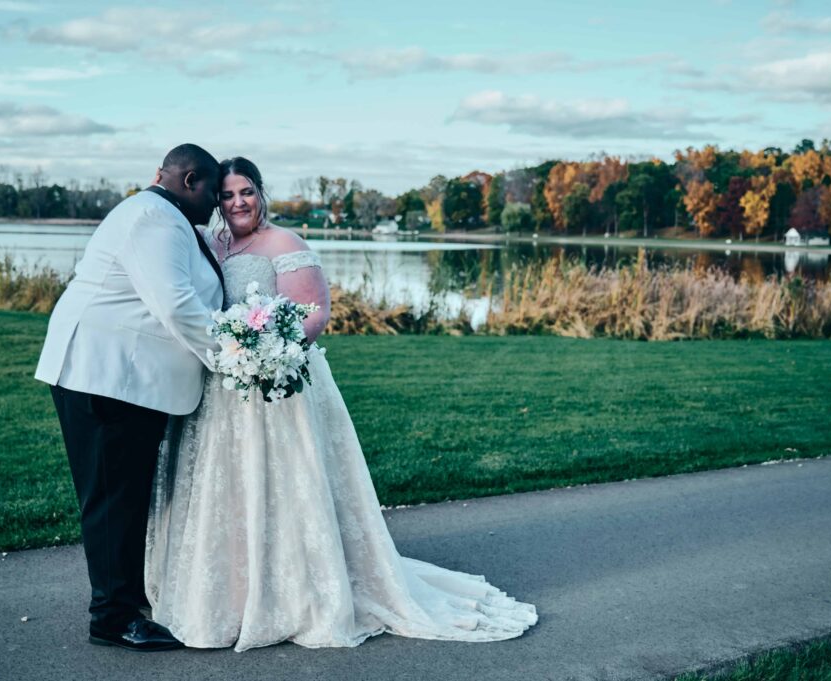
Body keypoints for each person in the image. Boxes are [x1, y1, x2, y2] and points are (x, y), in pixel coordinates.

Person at [145, 157, 537, 651]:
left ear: (260, 193)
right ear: (215, 201)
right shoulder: (209, 244)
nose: (237, 202)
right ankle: (231, 591)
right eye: (226, 195)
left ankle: (298, 590)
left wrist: (273, 352)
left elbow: (314, 313)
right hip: (223, 386)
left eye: (246, 192)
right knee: (227, 486)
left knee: (285, 484)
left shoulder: (286, 244)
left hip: (280, 384)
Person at [35, 144, 224, 651]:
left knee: (124, 492)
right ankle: (112, 618)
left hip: (119, 378)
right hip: (106, 377)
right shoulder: (154, 218)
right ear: (189, 181)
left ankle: (127, 595)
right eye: (213, 192)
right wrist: (234, 359)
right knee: (112, 498)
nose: (218, 205)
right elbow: (176, 304)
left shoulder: (160, 214)